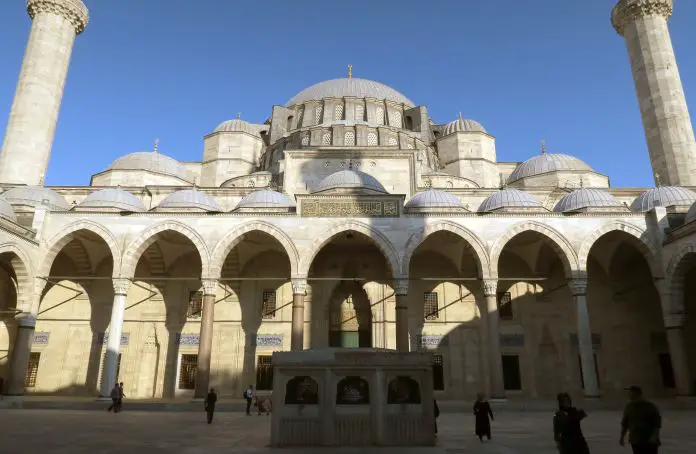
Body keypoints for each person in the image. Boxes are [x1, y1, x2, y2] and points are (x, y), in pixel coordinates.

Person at [620, 386, 661, 454]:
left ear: (636, 393)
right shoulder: (629, 407)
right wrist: (622, 437)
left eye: (630, 393)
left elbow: (657, 423)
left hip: (649, 439)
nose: (628, 395)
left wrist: (654, 436)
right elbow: (625, 423)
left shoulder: (649, 406)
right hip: (635, 439)